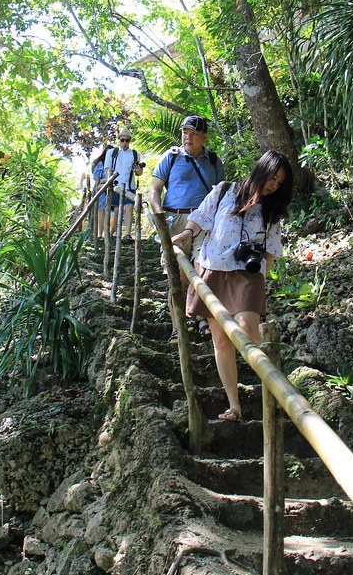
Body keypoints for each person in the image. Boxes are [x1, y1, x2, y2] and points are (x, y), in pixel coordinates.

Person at [170, 150, 293, 422]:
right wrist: (187, 234)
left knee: (249, 328)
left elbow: (270, 249)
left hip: (248, 275)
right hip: (213, 269)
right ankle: (234, 406)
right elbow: (200, 217)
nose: (274, 184)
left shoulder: (272, 212)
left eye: (280, 182)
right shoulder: (225, 191)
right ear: (261, 170)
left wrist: (262, 276)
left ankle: (272, 393)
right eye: (272, 177)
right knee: (222, 341)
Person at [150, 115, 225, 335]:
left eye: (193, 134)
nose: (187, 137)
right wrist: (158, 213)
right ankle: (178, 329)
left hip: (203, 222)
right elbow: (155, 189)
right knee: (178, 276)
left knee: (203, 272)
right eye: (185, 132)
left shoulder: (213, 161)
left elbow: (220, 194)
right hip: (174, 221)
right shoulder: (171, 157)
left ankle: (201, 318)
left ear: (204, 137)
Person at [104, 128, 143, 239]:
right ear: (119, 140)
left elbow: (139, 173)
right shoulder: (112, 153)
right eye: (122, 140)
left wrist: (138, 170)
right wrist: (109, 182)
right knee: (116, 210)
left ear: (129, 141)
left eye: (127, 140)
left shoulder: (135, 154)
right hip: (115, 185)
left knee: (129, 207)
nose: (124, 142)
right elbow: (107, 168)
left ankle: (127, 234)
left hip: (129, 185)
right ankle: (112, 233)